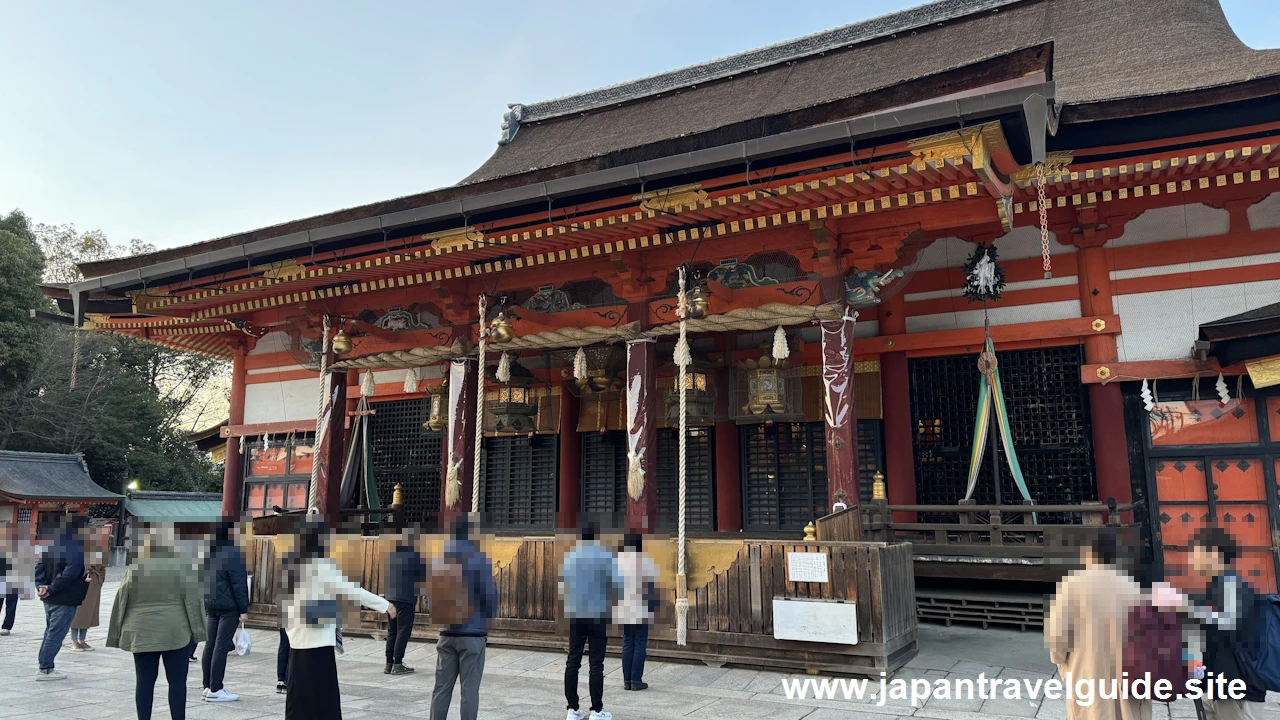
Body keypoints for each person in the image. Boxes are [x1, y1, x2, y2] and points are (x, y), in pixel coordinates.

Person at [282, 520, 395, 720]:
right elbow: (350, 590)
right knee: (323, 696)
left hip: (298, 638)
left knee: (299, 695)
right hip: (316, 640)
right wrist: (384, 605)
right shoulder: (320, 565)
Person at [1046, 528, 1150, 720]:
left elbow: (1057, 644)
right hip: (1129, 682)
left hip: (1086, 675)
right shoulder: (1133, 587)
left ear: (1088, 553)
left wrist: (1066, 670)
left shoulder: (1070, 586)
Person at [106, 523, 207, 720]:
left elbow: (122, 599)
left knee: (144, 680)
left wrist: (116, 633)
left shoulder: (135, 567)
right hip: (175, 630)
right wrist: (198, 631)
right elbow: (193, 602)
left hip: (141, 630)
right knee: (177, 682)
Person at [1178, 527, 1265, 720]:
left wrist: (1190, 612)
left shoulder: (1232, 585)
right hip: (1219, 685)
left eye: (1196, 553)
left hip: (1239, 685)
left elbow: (1229, 624)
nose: (1192, 559)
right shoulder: (1217, 586)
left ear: (1214, 554)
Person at [429, 515, 498, 720]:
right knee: (469, 689)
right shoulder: (480, 559)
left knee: (441, 687)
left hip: (446, 631)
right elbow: (489, 596)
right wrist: (486, 621)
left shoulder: (439, 559)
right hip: (473, 633)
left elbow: (429, 594)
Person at [560, 521, 623, 720]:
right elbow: (617, 585)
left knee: (573, 660)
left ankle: (572, 708)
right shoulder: (605, 556)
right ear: (596, 537)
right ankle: (596, 710)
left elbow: (564, 587)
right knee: (596, 663)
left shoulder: (570, 557)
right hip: (597, 613)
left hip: (575, 613)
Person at [35, 515, 88, 680]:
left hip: (49, 597)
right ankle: (45, 668)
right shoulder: (76, 547)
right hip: (64, 597)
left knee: (50, 632)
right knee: (55, 634)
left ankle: (45, 665)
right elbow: (70, 573)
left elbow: (39, 567)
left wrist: (41, 586)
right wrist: (51, 588)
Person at [201, 521, 249, 702]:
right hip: (229, 607)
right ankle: (216, 688)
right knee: (221, 646)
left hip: (211, 604)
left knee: (210, 645)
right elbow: (239, 585)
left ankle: (207, 686)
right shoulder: (233, 554)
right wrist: (243, 609)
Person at [615, 532, 658, 692]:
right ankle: (636, 680)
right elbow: (652, 588)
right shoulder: (646, 562)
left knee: (627, 641)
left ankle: (626, 680)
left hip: (624, 606)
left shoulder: (618, 562)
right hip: (641, 606)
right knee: (640, 642)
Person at [384, 528, 426, 676]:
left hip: (390, 598)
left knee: (392, 631)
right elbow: (424, 578)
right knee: (403, 631)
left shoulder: (391, 556)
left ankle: (388, 663)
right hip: (406, 598)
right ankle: (398, 664)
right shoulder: (417, 556)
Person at [70, 525, 107, 650]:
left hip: (94, 584)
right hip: (80, 583)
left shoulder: (98, 550)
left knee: (89, 612)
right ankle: (74, 640)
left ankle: (83, 639)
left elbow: (102, 567)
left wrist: (100, 579)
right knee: (78, 613)